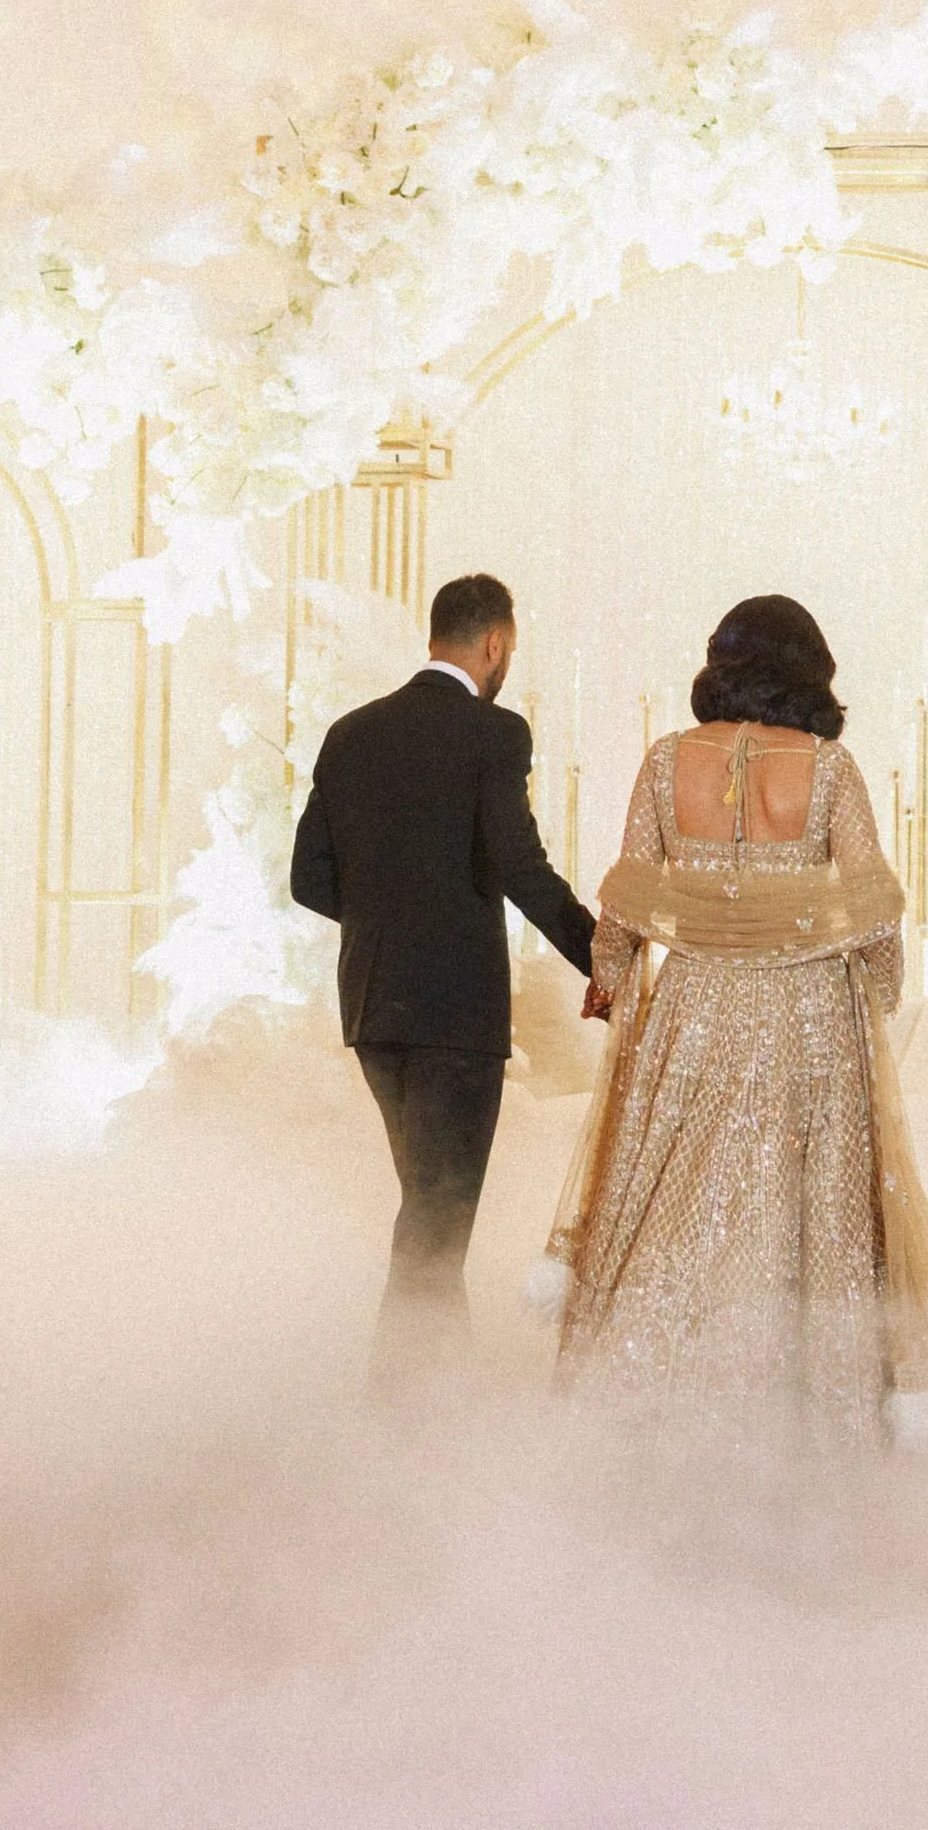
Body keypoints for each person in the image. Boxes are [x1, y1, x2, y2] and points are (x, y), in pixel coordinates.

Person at [548, 594, 928, 1445]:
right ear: (807, 667)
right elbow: (874, 909)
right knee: (809, 1208)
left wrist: (609, 978)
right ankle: (808, 1421)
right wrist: (880, 995)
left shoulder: (666, 760)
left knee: (679, 1198)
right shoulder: (829, 767)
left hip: (695, 1010)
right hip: (810, 1014)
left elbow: (628, 895)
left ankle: (651, 1413)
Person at [292, 572, 596, 1368]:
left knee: (429, 1207)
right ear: (495, 643)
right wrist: (604, 958)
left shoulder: (350, 733)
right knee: (438, 1217)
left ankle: (436, 1391)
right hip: (454, 1016)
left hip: (373, 1010)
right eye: (509, 652)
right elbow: (521, 867)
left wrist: (390, 923)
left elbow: (308, 878)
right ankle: (405, 1401)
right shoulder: (494, 734)